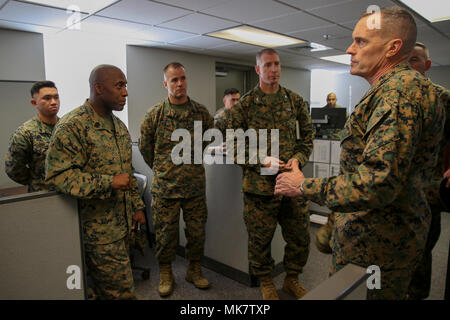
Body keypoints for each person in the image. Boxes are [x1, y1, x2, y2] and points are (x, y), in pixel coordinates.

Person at [274, 7, 445, 300]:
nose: (350, 49)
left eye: (361, 41)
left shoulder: (396, 95)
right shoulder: (422, 89)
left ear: (393, 47)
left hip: (377, 243)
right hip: (397, 232)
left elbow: (377, 183)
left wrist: (302, 185)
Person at [45, 65, 146, 300]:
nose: (126, 92)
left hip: (120, 227)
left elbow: (126, 172)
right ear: (98, 88)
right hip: (95, 233)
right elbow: (57, 176)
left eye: (126, 86)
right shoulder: (73, 126)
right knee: (122, 294)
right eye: (119, 86)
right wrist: (108, 182)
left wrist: (137, 206)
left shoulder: (118, 127)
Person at [226, 48, 315, 300]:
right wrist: (260, 159)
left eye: (277, 64)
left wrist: (298, 159)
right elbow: (234, 145)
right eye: (267, 65)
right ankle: (266, 281)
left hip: (291, 182)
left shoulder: (294, 100)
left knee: (299, 235)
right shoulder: (244, 105)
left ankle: (291, 279)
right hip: (259, 187)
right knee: (260, 239)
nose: (273, 69)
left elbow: (308, 137)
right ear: (258, 69)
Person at [139, 62, 214, 297]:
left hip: (194, 187)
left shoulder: (201, 112)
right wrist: (163, 168)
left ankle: (194, 269)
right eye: (174, 80)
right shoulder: (154, 115)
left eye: (182, 78)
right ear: (165, 84)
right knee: (165, 234)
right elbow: (146, 149)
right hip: (166, 188)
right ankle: (165, 272)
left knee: (197, 232)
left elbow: (209, 138)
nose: (179, 83)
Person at [407, 42, 450, 300]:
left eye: (415, 60)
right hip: (395, 191)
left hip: (427, 192)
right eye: (405, 60)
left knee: (421, 252)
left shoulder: (443, 98)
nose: (409, 66)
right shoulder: (393, 96)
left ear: (427, 65)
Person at [5, 81, 60, 192]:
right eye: (47, 98)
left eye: (56, 97)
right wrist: (37, 181)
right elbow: (13, 169)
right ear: (34, 103)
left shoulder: (68, 127)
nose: (53, 102)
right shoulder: (25, 133)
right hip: (43, 195)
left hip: (71, 194)